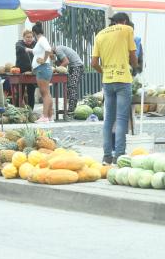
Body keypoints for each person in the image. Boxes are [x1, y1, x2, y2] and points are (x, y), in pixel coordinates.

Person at [92, 12, 138, 164]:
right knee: (121, 119)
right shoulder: (127, 30)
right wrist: (135, 67)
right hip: (123, 79)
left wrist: (104, 72)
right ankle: (119, 155)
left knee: (108, 120)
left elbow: (93, 63)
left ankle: (107, 156)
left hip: (108, 81)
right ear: (124, 21)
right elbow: (133, 55)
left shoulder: (99, 35)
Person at [31, 22, 53, 123]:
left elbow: (48, 49)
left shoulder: (42, 39)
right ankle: (49, 116)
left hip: (42, 68)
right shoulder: (41, 40)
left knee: (44, 93)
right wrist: (29, 50)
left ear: (34, 32)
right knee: (47, 93)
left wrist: (44, 59)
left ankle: (44, 116)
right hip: (43, 68)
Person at [53, 44, 84, 115]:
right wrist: (53, 59)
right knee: (69, 88)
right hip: (73, 67)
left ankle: (71, 110)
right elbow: (61, 63)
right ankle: (71, 108)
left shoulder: (58, 50)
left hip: (77, 67)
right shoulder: (58, 50)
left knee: (72, 87)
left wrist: (55, 70)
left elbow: (66, 62)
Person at [15, 29, 37, 110]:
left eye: (31, 37)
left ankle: (31, 110)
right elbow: (19, 48)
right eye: (27, 37)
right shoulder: (19, 44)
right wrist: (26, 49)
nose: (29, 39)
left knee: (31, 92)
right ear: (24, 37)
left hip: (32, 72)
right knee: (20, 92)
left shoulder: (35, 44)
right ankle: (17, 110)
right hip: (21, 71)